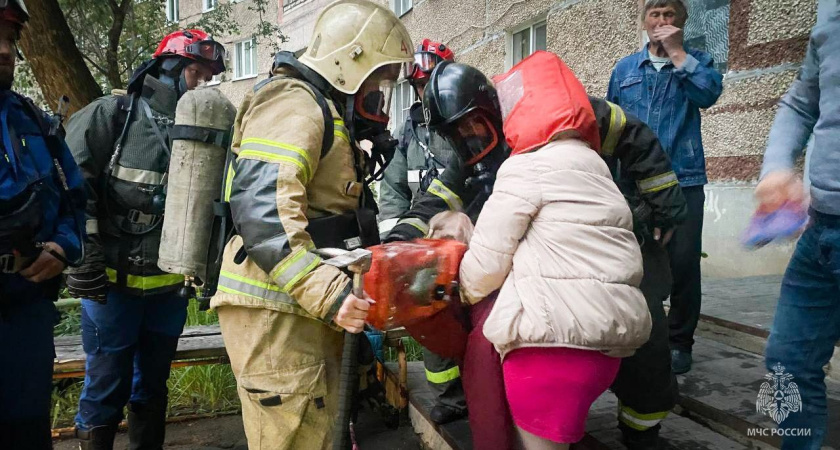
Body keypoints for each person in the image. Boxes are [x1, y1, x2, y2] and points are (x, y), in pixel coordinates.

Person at [388, 56, 686, 450]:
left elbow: (635, 136)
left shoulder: (567, 114)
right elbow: (433, 201)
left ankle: (641, 427)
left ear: (493, 107)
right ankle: (520, 410)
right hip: (549, 262)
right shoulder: (471, 153)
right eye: (458, 135)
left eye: (474, 125)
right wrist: (395, 247)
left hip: (606, 242)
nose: (470, 138)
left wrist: (665, 207)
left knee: (642, 323)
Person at [208, 1, 412, 448]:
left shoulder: (326, 112)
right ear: (348, 65)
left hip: (300, 311)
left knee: (323, 435)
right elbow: (264, 212)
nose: (380, 96)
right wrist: (331, 293)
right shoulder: (294, 104)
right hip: (276, 315)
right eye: (377, 81)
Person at [450, 51, 652, 449]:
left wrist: (462, 293)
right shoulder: (596, 168)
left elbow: (487, 261)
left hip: (547, 352)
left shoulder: (527, 167)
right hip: (607, 351)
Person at [64, 29, 226, 449]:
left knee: (151, 388)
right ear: (168, 68)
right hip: (110, 289)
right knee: (104, 390)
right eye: (196, 72)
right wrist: (83, 257)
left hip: (167, 291)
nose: (203, 85)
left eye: (209, 77)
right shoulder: (111, 115)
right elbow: (69, 185)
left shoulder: (205, 133)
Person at [607, 0, 723, 374]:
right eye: (655, 15)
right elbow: (611, 124)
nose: (662, 22)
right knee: (635, 261)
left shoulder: (697, 63)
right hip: (635, 183)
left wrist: (677, 53)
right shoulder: (625, 68)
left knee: (685, 265)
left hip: (684, 180)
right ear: (645, 21)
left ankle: (679, 343)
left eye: (669, 15)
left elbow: (708, 94)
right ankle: (638, 336)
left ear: (682, 22)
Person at [0, 1, 87, 448]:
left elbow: (72, 199)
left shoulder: (30, 120)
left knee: (27, 431)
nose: (4, 50)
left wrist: (62, 248)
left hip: (26, 316)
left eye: (11, 39)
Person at [757, 11, 840, 450]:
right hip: (821, 228)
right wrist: (776, 167)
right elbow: (802, 102)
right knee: (788, 362)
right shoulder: (830, 15)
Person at [378, 38, 466, 424]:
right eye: (416, 85)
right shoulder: (409, 132)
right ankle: (450, 399)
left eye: (427, 83)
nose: (421, 92)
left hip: (468, 241)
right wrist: (396, 242)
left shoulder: (464, 121)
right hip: (424, 246)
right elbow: (394, 189)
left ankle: (488, 390)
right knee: (432, 319)